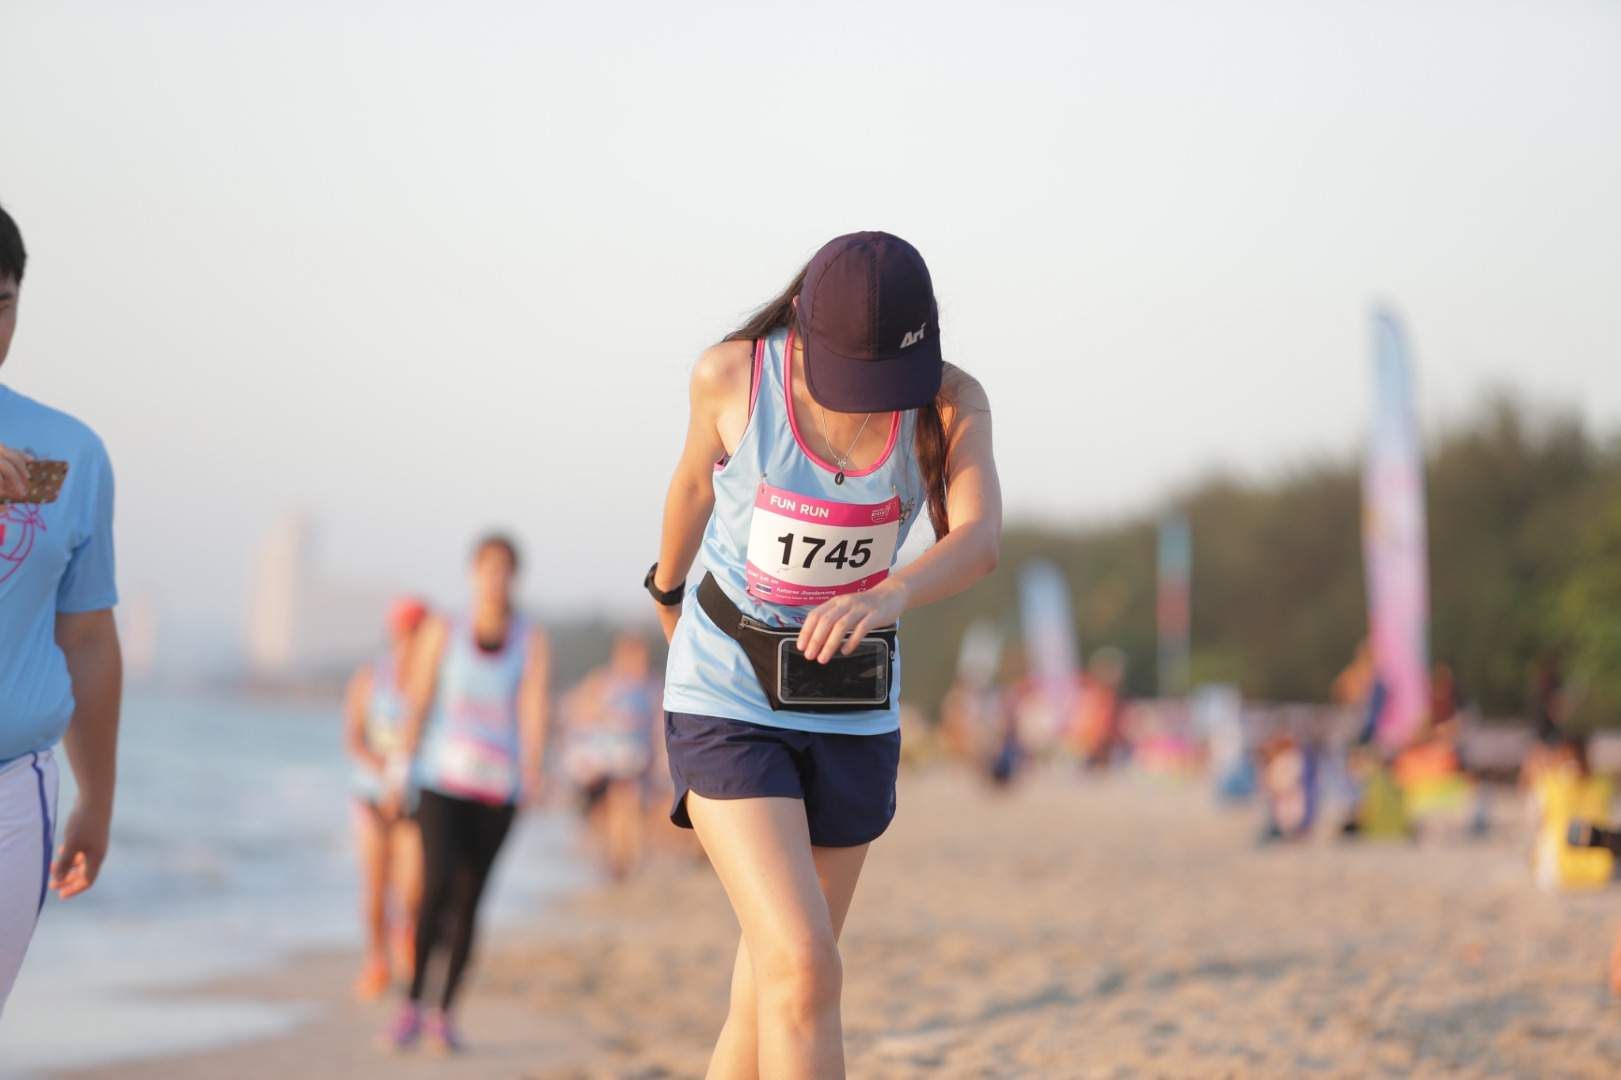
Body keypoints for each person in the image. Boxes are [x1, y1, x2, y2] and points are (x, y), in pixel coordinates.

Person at [648, 232, 1001, 1078]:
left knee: (773, 991)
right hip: (728, 689)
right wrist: (666, 592)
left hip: (850, 704)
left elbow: (980, 535)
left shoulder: (950, 403)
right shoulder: (731, 377)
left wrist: (892, 592)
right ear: (803, 329)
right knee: (805, 968)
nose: (873, 401)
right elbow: (694, 484)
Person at [0, 203, 123, 1017]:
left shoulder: (69, 453)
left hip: (13, 793)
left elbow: (85, 637)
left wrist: (96, 799)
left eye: (0, 301)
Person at [378, 535, 551, 1053]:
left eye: (504, 569)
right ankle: (410, 1004)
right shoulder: (444, 630)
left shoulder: (530, 638)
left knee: (470, 899)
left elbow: (534, 706)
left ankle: (443, 1014)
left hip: (498, 788)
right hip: (440, 779)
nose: (495, 578)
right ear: (474, 574)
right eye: (487, 568)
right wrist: (396, 770)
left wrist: (534, 771)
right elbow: (420, 699)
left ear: (514, 576)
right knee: (432, 887)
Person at [343, 596, 429, 1000]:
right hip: (370, 795)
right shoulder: (370, 677)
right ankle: (375, 959)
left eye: (419, 632)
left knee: (412, 885)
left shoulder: (434, 680)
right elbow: (353, 739)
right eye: (406, 631)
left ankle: (404, 932)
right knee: (375, 884)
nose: (411, 639)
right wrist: (387, 769)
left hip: (414, 796)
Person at [560, 632, 664, 879]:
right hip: (601, 762)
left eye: (643, 657)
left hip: (634, 764)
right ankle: (609, 859)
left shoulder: (653, 687)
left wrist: (659, 761)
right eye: (633, 656)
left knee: (626, 806)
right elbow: (576, 711)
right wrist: (600, 713)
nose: (638, 664)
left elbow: (660, 726)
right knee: (602, 814)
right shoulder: (603, 681)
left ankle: (622, 861)